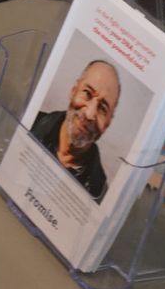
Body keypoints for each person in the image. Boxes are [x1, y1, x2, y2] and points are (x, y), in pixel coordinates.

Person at [31, 59, 122, 201]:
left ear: (108, 123)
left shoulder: (99, 195)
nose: (90, 114)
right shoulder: (28, 123)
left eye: (102, 108)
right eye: (87, 93)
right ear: (73, 91)